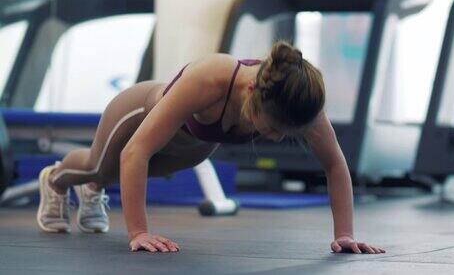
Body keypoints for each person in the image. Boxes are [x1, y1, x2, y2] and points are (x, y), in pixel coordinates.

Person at [36, 41, 385, 254]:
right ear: (251, 96)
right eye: (274, 129)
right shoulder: (212, 77)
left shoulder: (302, 103)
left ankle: (94, 190)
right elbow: (136, 151)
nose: (277, 138)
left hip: (191, 146)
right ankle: (55, 180)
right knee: (102, 168)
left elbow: (335, 165)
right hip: (136, 114)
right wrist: (139, 232)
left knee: (123, 175)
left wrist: (344, 235)